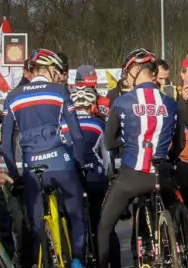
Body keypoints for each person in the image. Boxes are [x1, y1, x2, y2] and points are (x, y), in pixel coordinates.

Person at [96, 49, 185, 267]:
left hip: (131, 177)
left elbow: (109, 143)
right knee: (178, 215)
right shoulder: (170, 103)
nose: (125, 79)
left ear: (135, 70)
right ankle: (183, 250)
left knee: (104, 228)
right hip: (162, 173)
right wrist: (169, 159)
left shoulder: (122, 102)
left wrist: (127, 140)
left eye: (126, 74)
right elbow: (180, 144)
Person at [1, 49, 87, 268]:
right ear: (50, 69)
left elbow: (6, 144)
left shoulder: (13, 96)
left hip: (32, 167)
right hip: (61, 163)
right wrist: (81, 161)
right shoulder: (59, 91)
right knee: (77, 214)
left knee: (35, 226)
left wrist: (14, 174)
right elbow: (76, 135)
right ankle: (77, 260)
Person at [65, 86, 120, 267]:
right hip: (95, 177)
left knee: (72, 221)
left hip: (72, 178)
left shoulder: (64, 124)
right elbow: (108, 159)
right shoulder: (99, 124)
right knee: (105, 225)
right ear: (92, 106)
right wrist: (110, 177)